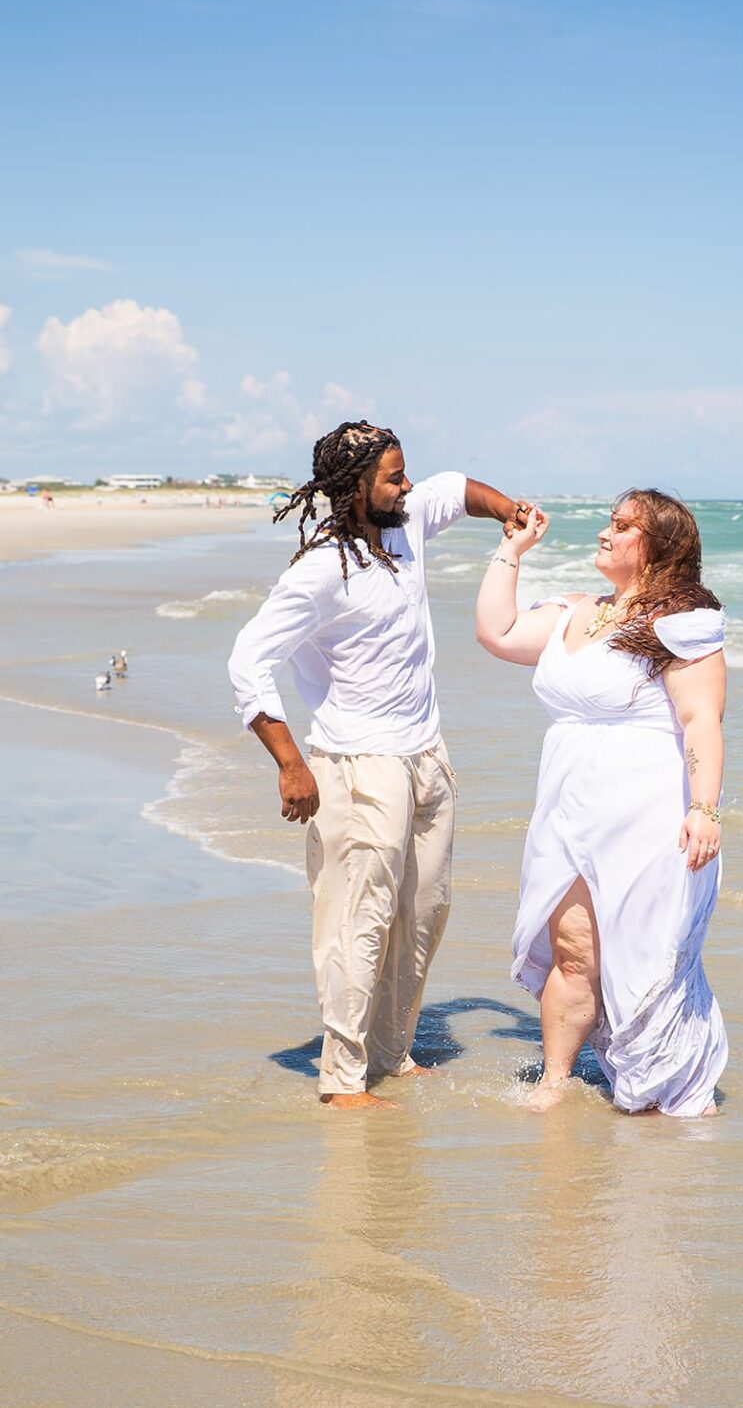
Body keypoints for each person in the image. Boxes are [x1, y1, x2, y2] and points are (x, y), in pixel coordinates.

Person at [229, 420, 533, 1110]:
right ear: (355, 488)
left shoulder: (404, 520)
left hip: (426, 757)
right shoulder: (319, 572)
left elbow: (458, 490)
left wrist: (507, 509)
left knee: (423, 913)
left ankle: (391, 1054)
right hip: (357, 765)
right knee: (357, 922)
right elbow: (247, 661)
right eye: (394, 476)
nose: (407, 485)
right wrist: (290, 762)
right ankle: (342, 1080)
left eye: (403, 473)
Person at [475, 489, 727, 1116]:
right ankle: (555, 1082)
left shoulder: (679, 620)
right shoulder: (574, 612)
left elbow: (701, 720)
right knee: (575, 949)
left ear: (658, 546)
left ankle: (669, 1088)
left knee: (647, 955)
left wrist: (705, 808)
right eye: (608, 524)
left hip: (647, 817)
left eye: (621, 527)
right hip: (567, 810)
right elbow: (497, 632)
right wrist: (511, 549)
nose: (604, 535)